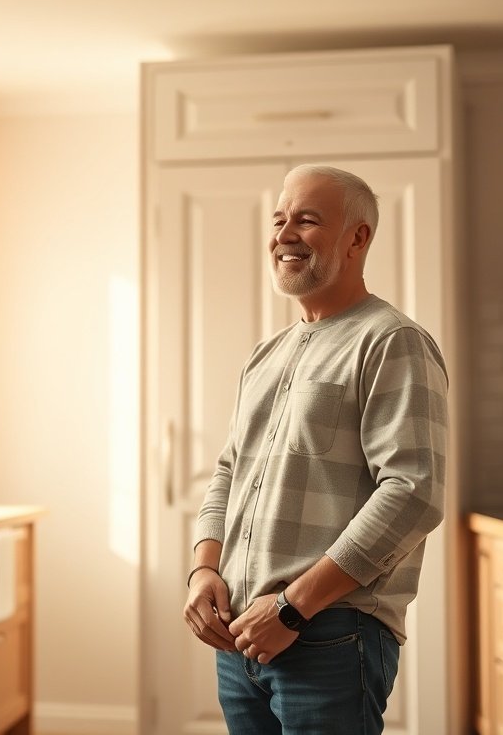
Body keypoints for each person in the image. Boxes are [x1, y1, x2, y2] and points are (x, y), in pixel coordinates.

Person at [182, 165, 448, 734]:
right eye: (279, 219)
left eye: (306, 220)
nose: (284, 235)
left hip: (327, 633)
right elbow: (229, 470)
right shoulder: (265, 354)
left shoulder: (391, 341)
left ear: (358, 237)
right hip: (241, 636)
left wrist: (293, 607)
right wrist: (205, 569)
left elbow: (412, 494)